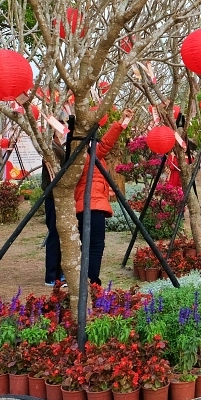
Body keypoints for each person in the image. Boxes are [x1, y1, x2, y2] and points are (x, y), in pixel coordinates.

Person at [74, 109, 132, 286]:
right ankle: (92, 280)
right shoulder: (89, 155)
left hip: (84, 206)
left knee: (87, 244)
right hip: (93, 205)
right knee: (96, 245)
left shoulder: (77, 156)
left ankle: (87, 278)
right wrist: (120, 124)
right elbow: (106, 143)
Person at [41, 127, 67, 286]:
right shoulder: (51, 149)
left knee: (60, 235)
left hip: (60, 196)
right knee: (55, 235)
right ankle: (52, 274)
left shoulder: (59, 147)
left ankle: (59, 272)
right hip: (53, 196)